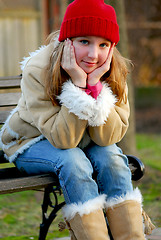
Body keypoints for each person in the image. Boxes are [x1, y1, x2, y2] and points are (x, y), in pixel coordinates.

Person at [0, 0, 148, 239]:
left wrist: (95, 87)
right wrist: (78, 88)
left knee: (112, 157)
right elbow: (64, 140)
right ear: (67, 41)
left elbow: (108, 138)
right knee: (73, 161)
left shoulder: (114, 70)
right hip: (29, 142)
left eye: (103, 44)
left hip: (82, 143)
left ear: (112, 47)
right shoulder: (38, 70)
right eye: (84, 42)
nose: (93, 54)